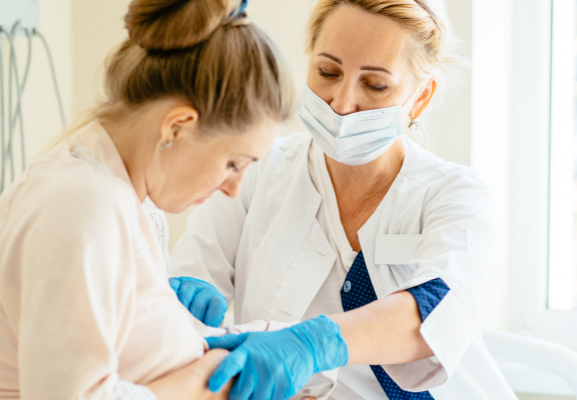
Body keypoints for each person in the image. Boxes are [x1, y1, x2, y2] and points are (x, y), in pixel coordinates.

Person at [170, 0, 516, 399]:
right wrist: (183, 301)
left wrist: (314, 343)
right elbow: (192, 279)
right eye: (328, 72)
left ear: (420, 98)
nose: (342, 102)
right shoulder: (258, 170)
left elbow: (438, 310)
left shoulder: (456, 195)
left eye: (375, 85)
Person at [0, 0, 297, 399]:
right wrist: (212, 378)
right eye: (232, 163)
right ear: (177, 126)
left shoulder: (127, 197)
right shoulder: (81, 207)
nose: (234, 188)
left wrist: (233, 337)